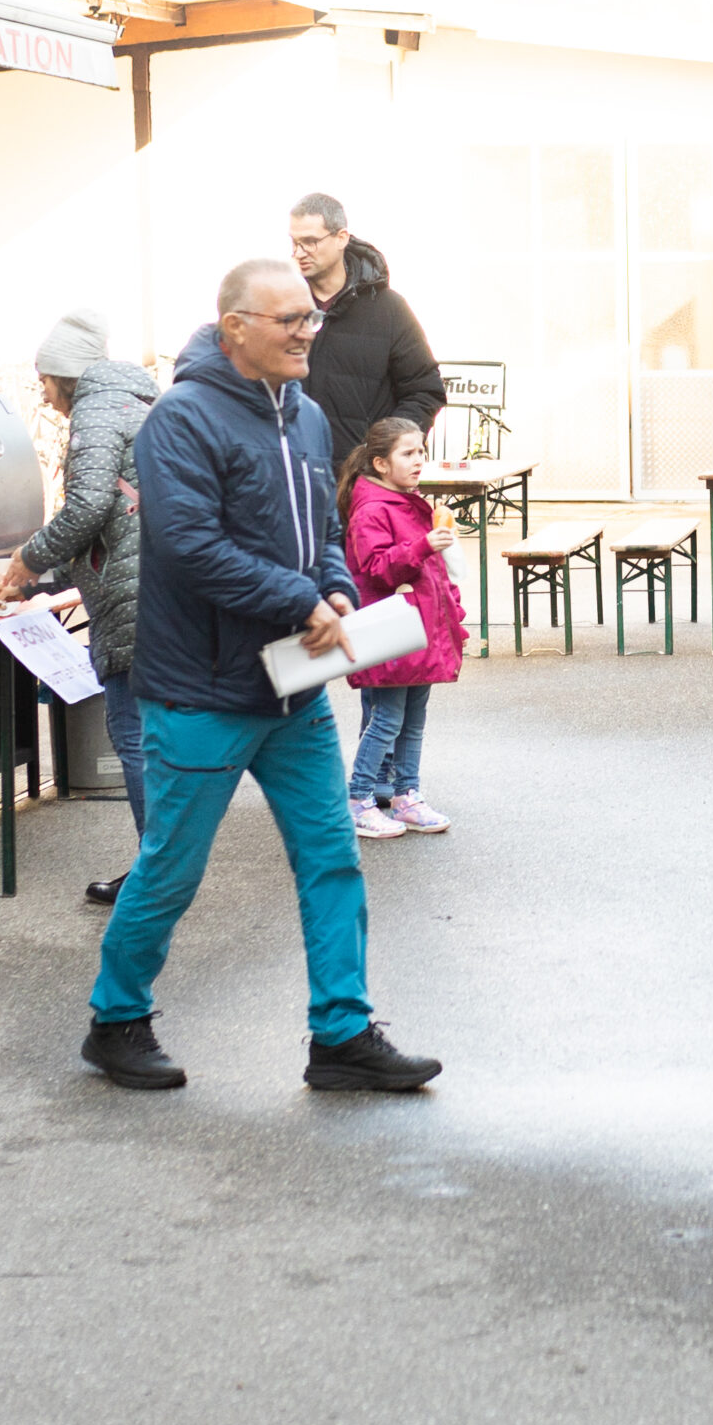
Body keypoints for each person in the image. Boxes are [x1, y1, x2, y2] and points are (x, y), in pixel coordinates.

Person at [81, 257, 441, 1096]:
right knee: (170, 867)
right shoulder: (179, 420)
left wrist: (337, 583)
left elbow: (318, 527)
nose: (308, 333)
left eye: (311, 319)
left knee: (331, 858)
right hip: (202, 691)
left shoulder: (308, 418)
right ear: (234, 326)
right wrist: (298, 596)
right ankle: (115, 1018)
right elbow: (190, 545)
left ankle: (342, 1034)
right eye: (290, 322)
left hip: (295, 685)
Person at [0, 308, 157, 905]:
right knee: (153, 734)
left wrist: (30, 559)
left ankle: (156, 875)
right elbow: (113, 513)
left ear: (66, 373)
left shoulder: (95, 409)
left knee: (134, 733)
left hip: (133, 596)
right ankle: (161, 866)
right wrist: (44, 579)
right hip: (155, 584)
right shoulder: (136, 400)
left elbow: (88, 507)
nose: (42, 391)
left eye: (43, 377)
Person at [337, 415, 466, 840]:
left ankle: (406, 794)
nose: (418, 461)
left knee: (413, 719)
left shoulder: (409, 501)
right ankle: (359, 799)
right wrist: (424, 544)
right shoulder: (372, 509)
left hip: (419, 629)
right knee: (387, 719)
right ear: (379, 463)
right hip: (392, 630)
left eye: (421, 452)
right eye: (407, 454)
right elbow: (376, 568)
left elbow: (431, 572)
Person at [288, 192, 447, 470]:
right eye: (295, 242)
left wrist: (384, 452)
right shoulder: (282, 308)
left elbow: (424, 391)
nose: (299, 253)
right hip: (292, 481)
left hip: (365, 488)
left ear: (341, 238)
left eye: (310, 242)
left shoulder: (388, 310)